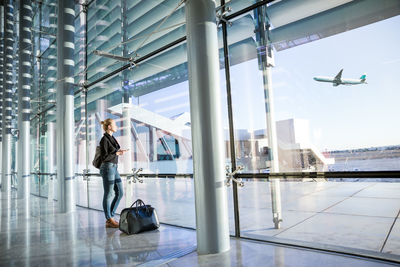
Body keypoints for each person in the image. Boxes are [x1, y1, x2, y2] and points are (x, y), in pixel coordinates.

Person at [99, 118, 128, 228]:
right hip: (108, 168)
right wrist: (117, 154)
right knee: (109, 193)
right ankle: (109, 219)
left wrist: (118, 152)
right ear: (109, 127)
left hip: (114, 168)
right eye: (114, 124)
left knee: (120, 192)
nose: (116, 126)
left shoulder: (111, 138)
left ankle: (110, 216)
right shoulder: (104, 140)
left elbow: (114, 152)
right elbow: (104, 157)